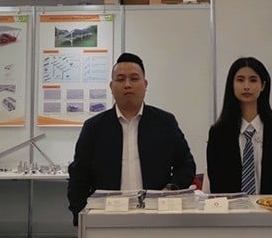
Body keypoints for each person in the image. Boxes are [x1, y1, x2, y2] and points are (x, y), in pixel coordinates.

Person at [67, 52, 196, 224]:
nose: (127, 84)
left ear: (145, 84)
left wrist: (171, 189)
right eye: (120, 79)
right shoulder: (93, 127)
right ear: (111, 86)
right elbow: (79, 176)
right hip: (107, 219)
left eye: (134, 79)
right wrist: (80, 217)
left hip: (157, 217)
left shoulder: (165, 122)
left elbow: (186, 165)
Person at [206, 56, 272, 195]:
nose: (246, 86)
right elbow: (218, 186)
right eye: (240, 80)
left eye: (253, 80)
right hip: (232, 207)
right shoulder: (218, 133)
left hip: (271, 207)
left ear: (263, 85)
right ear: (232, 84)